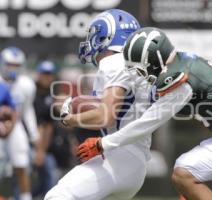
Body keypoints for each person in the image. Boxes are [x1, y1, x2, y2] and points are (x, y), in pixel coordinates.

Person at [79, 27, 212, 200]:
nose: (141, 75)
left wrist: (104, 144)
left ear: (155, 58)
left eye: (140, 68)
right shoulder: (180, 62)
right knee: (184, 173)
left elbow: (150, 121)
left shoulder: (179, 78)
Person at [44, 9, 153, 200]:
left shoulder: (113, 62)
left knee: (58, 196)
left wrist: (70, 119)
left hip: (120, 156)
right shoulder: (136, 64)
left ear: (107, 36)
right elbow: (120, 108)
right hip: (133, 159)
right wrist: (83, 102)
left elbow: (105, 115)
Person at [0, 47, 43, 200]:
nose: (13, 68)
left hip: (15, 125)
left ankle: (25, 197)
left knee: (21, 163)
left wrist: (33, 133)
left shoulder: (26, 84)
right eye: (10, 64)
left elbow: (27, 110)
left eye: (17, 65)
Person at [32, 61, 58, 197]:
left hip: (43, 146)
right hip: (26, 144)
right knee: (22, 178)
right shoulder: (30, 92)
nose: (48, 77)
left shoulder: (51, 95)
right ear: (39, 74)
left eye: (50, 74)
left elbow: (48, 125)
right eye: (45, 74)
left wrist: (41, 151)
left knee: (50, 182)